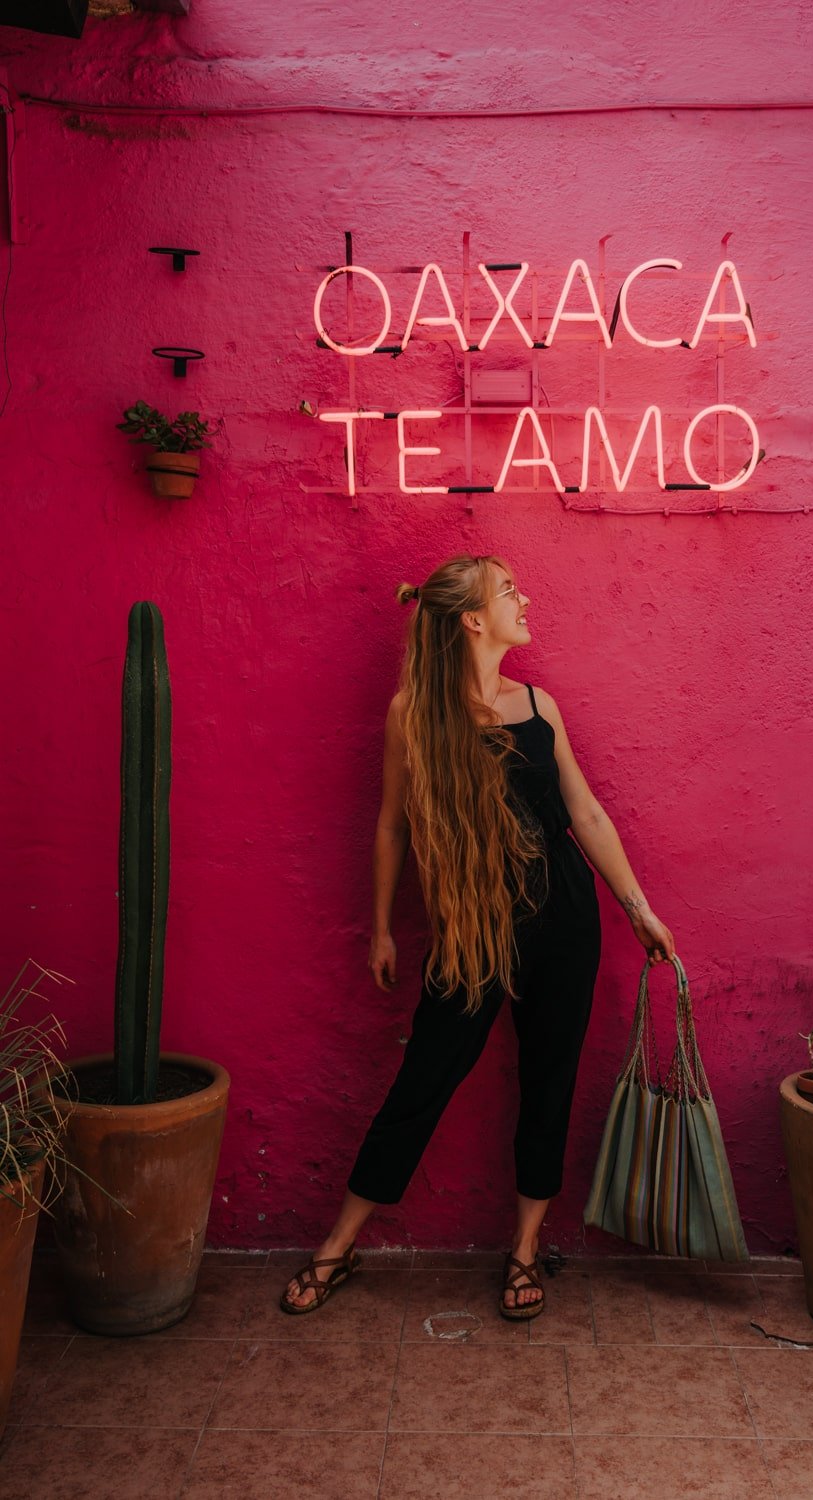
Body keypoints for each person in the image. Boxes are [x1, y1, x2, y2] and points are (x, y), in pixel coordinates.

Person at [281, 553, 674, 1320]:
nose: (525, 601)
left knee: (548, 1078)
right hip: (471, 927)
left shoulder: (538, 705)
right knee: (423, 1080)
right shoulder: (413, 714)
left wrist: (636, 906)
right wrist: (384, 929)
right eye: (508, 593)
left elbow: (584, 814)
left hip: (563, 916)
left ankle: (525, 1249)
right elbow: (392, 825)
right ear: (470, 619)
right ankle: (339, 1245)